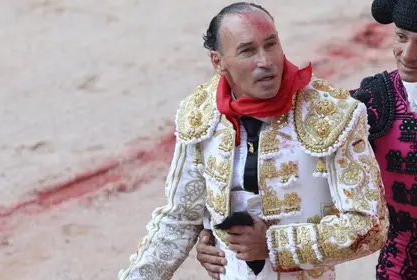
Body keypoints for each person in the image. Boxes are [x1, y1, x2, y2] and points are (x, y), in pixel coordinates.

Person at [196, 0, 417, 279]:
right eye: (401, 37)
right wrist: (217, 232)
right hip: (405, 269)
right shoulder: (369, 106)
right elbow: (299, 181)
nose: (407, 54)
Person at [117, 2, 388, 280]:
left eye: (271, 45)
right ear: (218, 62)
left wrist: (274, 245)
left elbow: (369, 225)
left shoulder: (332, 115)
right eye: (248, 51)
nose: (266, 61)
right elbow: (179, 218)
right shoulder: (200, 114)